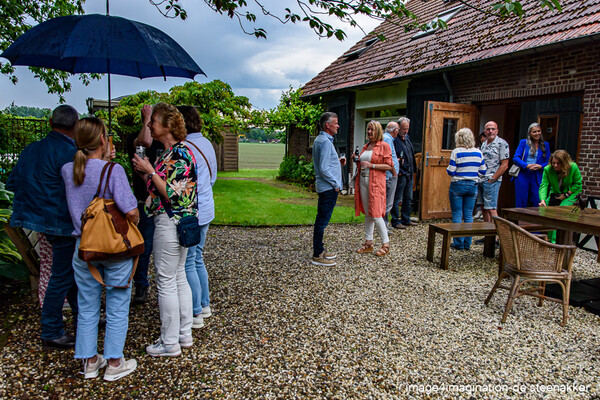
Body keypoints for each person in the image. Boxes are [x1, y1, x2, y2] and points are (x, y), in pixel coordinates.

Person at [62, 117, 138, 381]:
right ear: (103, 139)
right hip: (114, 247)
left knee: (87, 304)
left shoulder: (67, 170)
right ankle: (115, 362)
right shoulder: (113, 170)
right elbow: (130, 210)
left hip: (83, 247)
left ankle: (90, 361)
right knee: (117, 302)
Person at [7, 105, 79, 350]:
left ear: (50, 122)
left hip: (34, 220)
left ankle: (83, 317)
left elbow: (12, 182)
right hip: (60, 222)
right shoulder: (70, 152)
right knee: (62, 276)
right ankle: (51, 330)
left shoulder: (30, 149)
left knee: (68, 273)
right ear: (76, 126)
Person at [132, 102, 197, 357]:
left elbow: (173, 194)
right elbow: (160, 188)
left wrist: (151, 171)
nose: (150, 125)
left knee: (167, 281)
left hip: (170, 224)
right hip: (177, 224)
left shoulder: (179, 154)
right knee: (178, 276)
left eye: (153, 122)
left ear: (168, 126)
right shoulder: (171, 153)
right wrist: (147, 174)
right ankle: (184, 333)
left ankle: (169, 342)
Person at [177, 105, 217, 329]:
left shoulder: (185, 147)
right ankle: (204, 304)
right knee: (198, 258)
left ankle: (195, 312)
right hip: (207, 205)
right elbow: (212, 177)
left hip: (193, 208)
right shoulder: (206, 143)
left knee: (189, 261)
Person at [126, 105, 165, 304]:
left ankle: (164, 287)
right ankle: (141, 284)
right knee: (144, 245)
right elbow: (143, 142)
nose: (151, 125)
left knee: (163, 247)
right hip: (144, 201)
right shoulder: (138, 138)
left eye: (154, 121)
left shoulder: (166, 143)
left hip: (162, 203)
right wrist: (146, 119)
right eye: (150, 121)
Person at [355, 121, 394, 256]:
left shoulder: (384, 146)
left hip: (376, 183)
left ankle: (386, 244)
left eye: (372, 130)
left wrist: (372, 166)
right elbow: (363, 163)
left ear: (378, 131)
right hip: (363, 181)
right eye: (368, 130)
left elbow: (389, 166)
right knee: (368, 213)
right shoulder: (366, 146)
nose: (369, 132)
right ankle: (368, 242)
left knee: (376, 214)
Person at [311, 111, 345, 266]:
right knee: (322, 221)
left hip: (326, 188)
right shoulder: (325, 142)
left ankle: (320, 249)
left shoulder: (322, 140)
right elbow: (324, 169)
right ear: (327, 125)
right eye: (336, 123)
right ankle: (317, 254)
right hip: (328, 189)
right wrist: (336, 184)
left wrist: (337, 162)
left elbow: (323, 163)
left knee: (322, 220)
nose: (338, 126)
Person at [446, 128, 486, 250]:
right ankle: (467, 243)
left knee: (457, 214)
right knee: (469, 214)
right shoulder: (478, 152)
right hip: (472, 185)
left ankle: (458, 243)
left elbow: (451, 171)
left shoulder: (456, 152)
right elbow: (483, 171)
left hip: (458, 184)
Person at [539, 150, 582, 242]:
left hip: (571, 193)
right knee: (547, 210)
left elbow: (578, 184)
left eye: (558, 163)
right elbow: (544, 185)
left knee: (561, 210)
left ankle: (556, 241)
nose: (555, 165)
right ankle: (549, 238)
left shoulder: (573, 167)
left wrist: (567, 194)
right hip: (555, 193)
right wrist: (542, 200)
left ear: (564, 162)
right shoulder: (548, 169)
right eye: (553, 163)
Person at [477, 121, 509, 222]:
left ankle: (497, 235)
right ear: (485, 131)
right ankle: (487, 236)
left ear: (497, 131)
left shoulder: (502, 144)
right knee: (483, 208)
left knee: (491, 208)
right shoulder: (484, 143)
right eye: (488, 129)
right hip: (481, 180)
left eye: (493, 129)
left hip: (492, 180)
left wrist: (493, 179)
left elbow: (504, 165)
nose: (490, 131)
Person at [512, 122, 551, 207]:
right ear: (530, 133)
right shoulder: (523, 143)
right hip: (523, 174)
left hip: (537, 175)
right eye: (534, 132)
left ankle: (534, 219)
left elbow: (548, 161)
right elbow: (516, 158)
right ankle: (520, 219)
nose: (537, 134)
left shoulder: (545, 145)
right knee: (521, 199)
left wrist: (541, 166)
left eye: (538, 131)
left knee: (537, 199)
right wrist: (526, 165)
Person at [391, 117, 418, 229]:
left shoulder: (407, 138)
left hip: (409, 173)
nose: (405, 131)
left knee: (408, 197)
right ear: (398, 128)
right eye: (403, 129)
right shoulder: (395, 140)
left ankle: (406, 218)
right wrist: (399, 171)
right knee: (397, 198)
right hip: (401, 173)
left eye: (407, 129)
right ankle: (395, 221)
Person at [382, 122, 400, 232]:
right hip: (389, 176)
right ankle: (383, 226)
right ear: (395, 130)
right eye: (397, 129)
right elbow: (387, 158)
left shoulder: (387, 138)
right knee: (388, 202)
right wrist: (393, 173)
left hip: (390, 174)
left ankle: (384, 225)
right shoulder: (387, 139)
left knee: (388, 201)